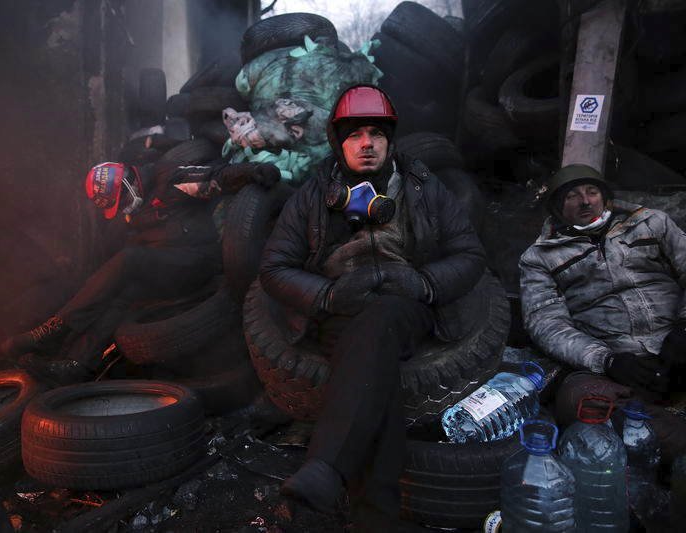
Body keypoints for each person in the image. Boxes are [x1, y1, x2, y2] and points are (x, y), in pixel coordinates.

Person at [258, 84, 485, 529]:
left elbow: (470, 255)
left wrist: (422, 282)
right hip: (338, 310)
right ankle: (373, 520)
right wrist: (325, 295)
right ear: (337, 142)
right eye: (355, 134)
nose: (366, 143)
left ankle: (326, 465)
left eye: (376, 134)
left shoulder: (422, 185)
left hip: (406, 307)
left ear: (390, 140)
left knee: (379, 321)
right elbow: (273, 268)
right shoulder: (313, 193)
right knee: (374, 377)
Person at [2, 158, 280, 385]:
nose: (122, 210)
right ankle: (77, 363)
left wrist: (252, 171)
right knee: (123, 293)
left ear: (127, 183)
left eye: (120, 202)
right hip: (166, 272)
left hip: (198, 262)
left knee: (129, 259)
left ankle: (49, 330)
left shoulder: (171, 180)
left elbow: (216, 176)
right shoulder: (132, 214)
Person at [520, 163, 686, 461]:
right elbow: (546, 323)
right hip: (620, 362)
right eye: (572, 196)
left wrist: (684, 329)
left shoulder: (651, 223)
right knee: (580, 399)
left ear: (604, 197)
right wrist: (606, 360)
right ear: (557, 207)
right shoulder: (539, 257)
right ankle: (670, 438)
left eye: (592, 191)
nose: (585, 201)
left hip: (677, 343)